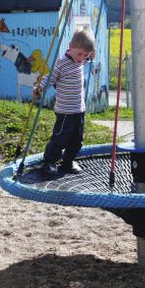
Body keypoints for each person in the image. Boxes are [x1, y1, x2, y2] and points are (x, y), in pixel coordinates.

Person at [33, 29, 95, 177]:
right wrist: (39, 88)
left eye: (85, 55)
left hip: (79, 110)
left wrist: (90, 54)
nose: (82, 58)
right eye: (80, 54)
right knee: (60, 138)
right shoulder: (62, 63)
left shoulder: (80, 61)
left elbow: (88, 56)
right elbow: (50, 77)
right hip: (65, 112)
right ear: (70, 46)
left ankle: (68, 162)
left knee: (77, 140)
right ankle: (49, 162)